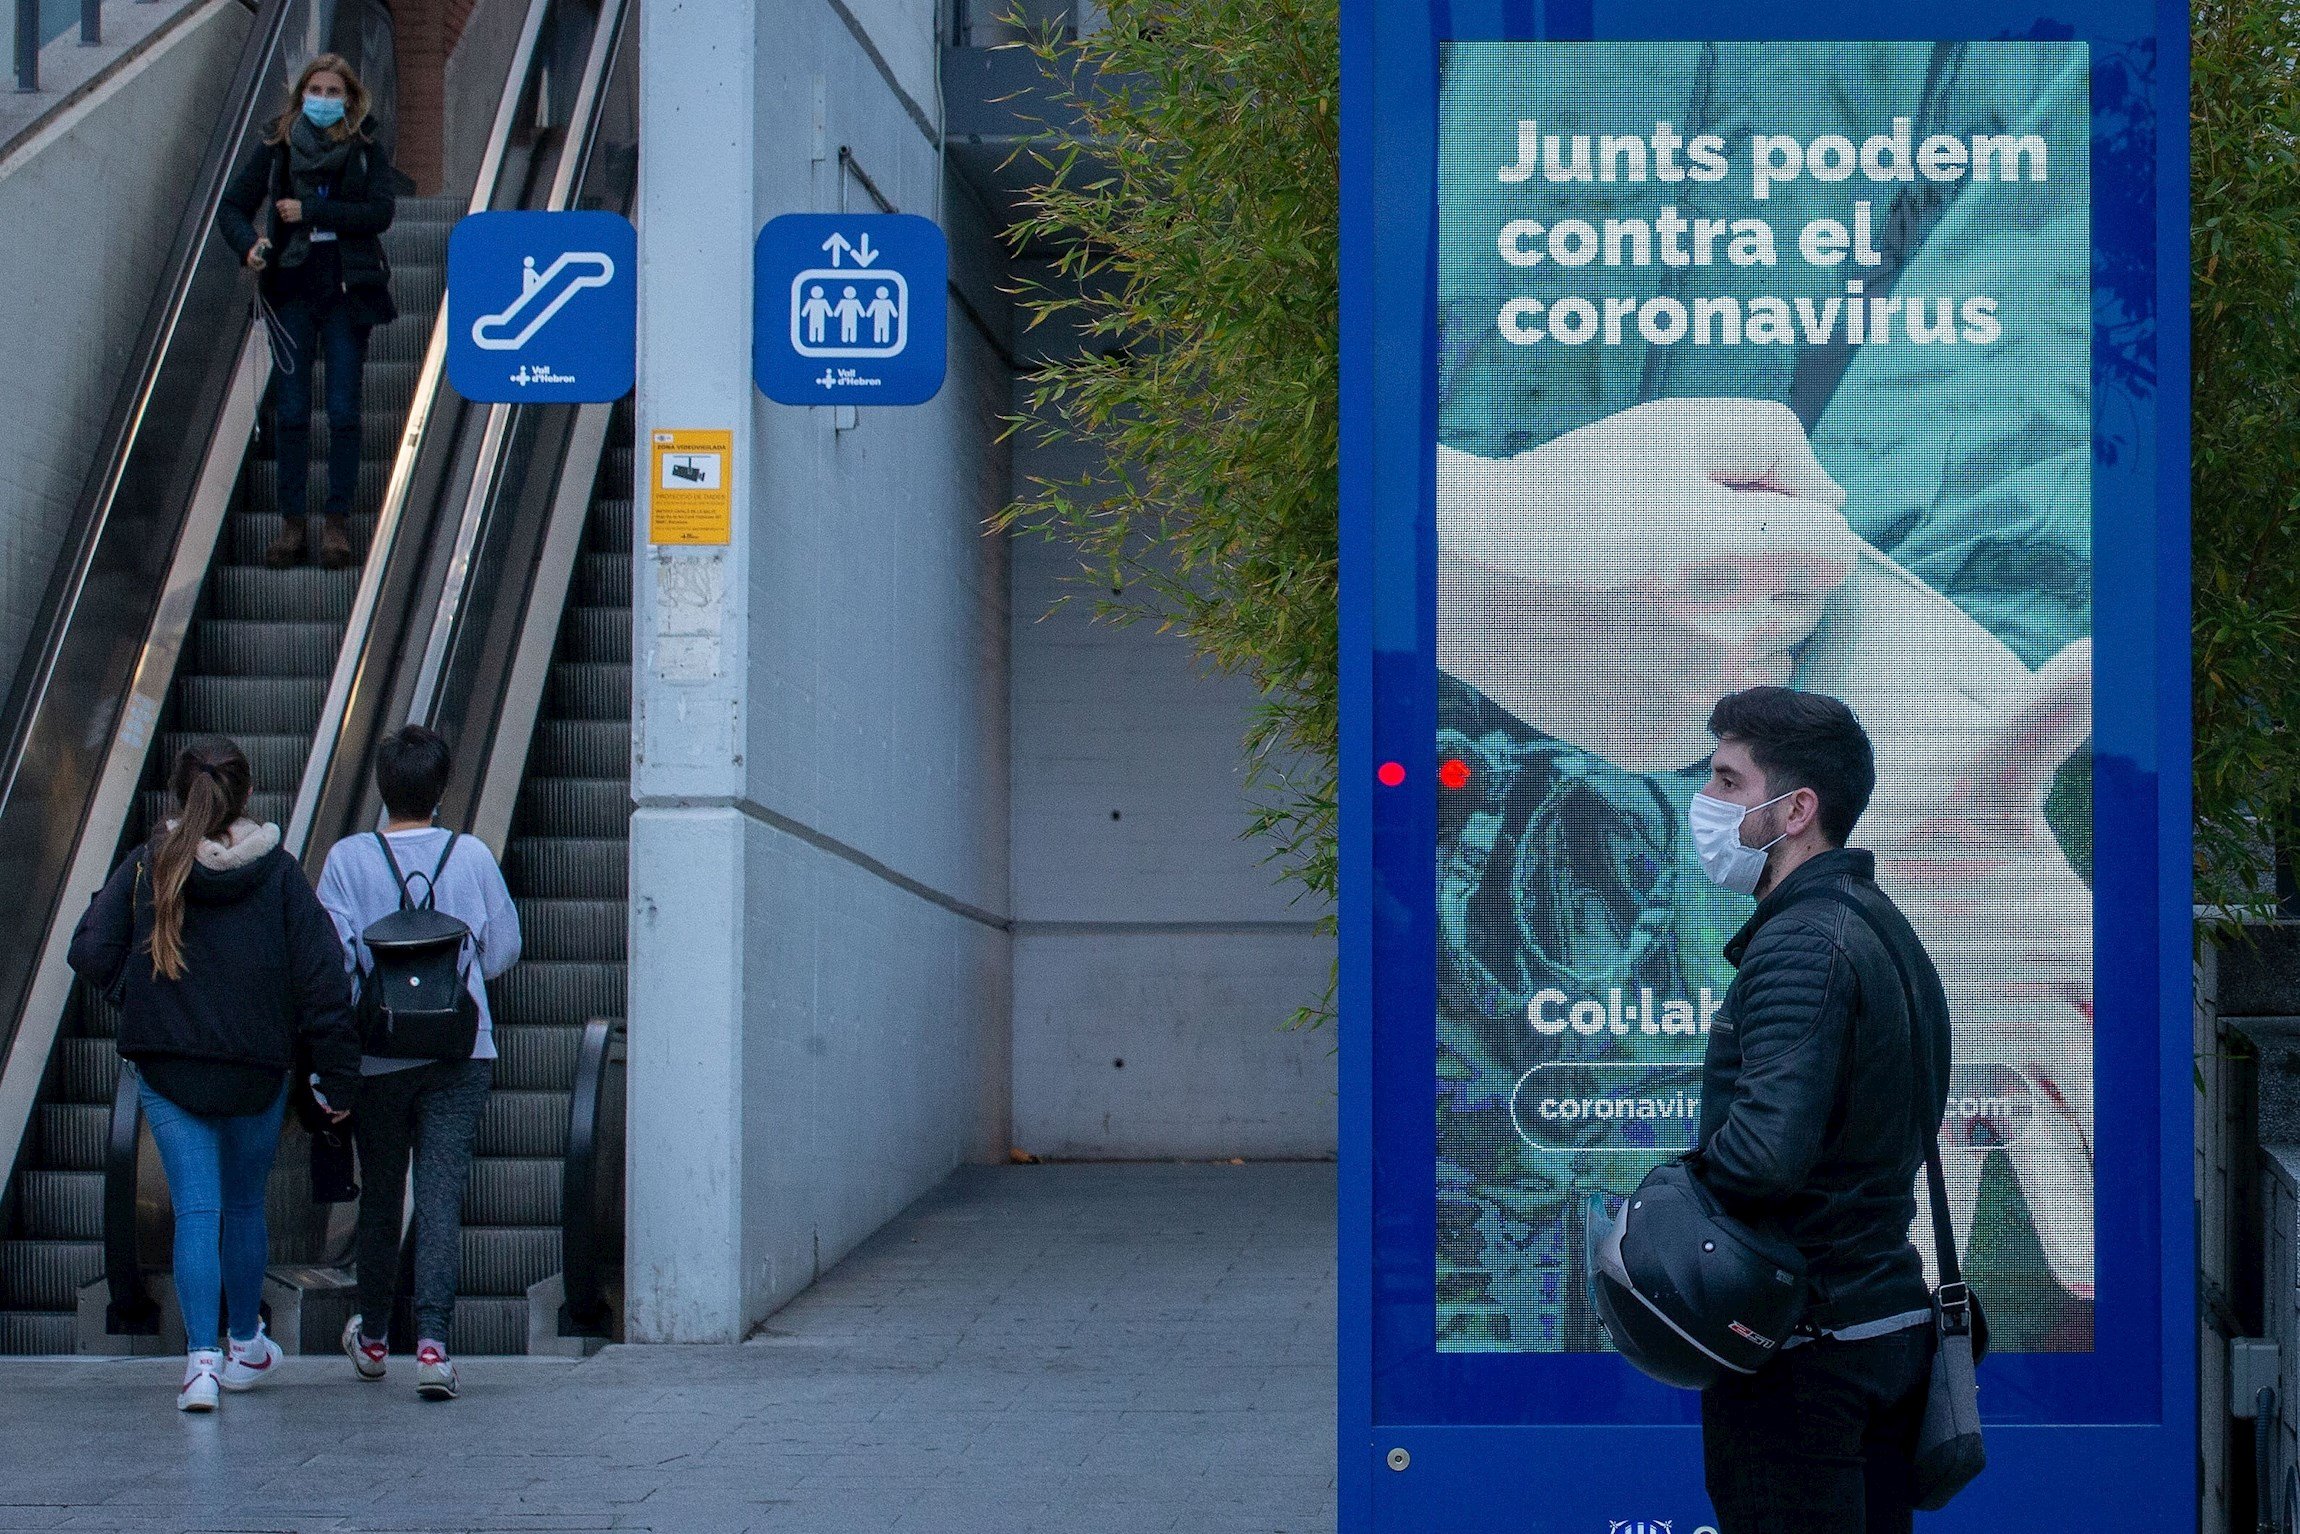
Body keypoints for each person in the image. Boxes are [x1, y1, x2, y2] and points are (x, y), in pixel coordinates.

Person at [1683, 687, 1953, 1534]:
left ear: (1797, 809)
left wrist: (1667, 1197)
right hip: (1877, 1329)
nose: (1707, 800)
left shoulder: (1804, 941)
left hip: (1805, 1350)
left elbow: (1765, 1158)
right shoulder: (1873, 921)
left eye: (1727, 781)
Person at [66, 738, 362, 1411]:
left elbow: (88, 948)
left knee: (197, 1209)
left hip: (170, 1069)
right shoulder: (279, 873)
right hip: (258, 1068)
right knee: (244, 1206)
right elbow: (323, 980)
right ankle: (246, 1345)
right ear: (246, 794)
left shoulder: (150, 863)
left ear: (178, 792)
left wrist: (138, 997)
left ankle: (200, 1365)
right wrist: (337, 1080)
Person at [316, 725, 520, 1400]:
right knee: (439, 1199)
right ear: (441, 788)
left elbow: (335, 962)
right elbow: (502, 951)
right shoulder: (471, 856)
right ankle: (432, 1345)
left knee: (380, 1197)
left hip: (377, 1055)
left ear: (381, 787)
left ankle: (373, 1337)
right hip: (461, 1051)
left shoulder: (348, 859)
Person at [216, 53, 399, 572]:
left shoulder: (364, 148)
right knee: (292, 412)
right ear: (300, 96)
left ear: (350, 97)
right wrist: (248, 245)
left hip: (346, 289)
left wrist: (315, 211)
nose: (322, 99)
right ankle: (292, 523)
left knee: (343, 409)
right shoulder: (277, 147)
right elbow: (231, 206)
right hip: (290, 287)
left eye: (332, 91)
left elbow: (381, 212)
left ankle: (336, 523)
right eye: (314, 91)